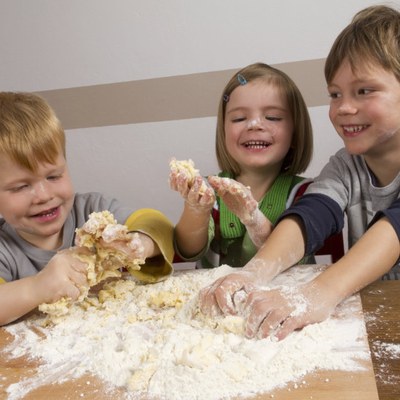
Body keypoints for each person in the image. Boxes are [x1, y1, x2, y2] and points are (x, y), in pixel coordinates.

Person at [199, 5, 400, 340]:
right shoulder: (345, 166)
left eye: (364, 91)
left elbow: (395, 228)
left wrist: (316, 294)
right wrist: (254, 272)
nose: (344, 108)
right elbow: (313, 214)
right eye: (335, 94)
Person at [0, 91, 174, 326]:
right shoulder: (4, 250)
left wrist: (139, 243)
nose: (44, 195)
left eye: (53, 176)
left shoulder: (92, 211)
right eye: (21, 187)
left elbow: (159, 227)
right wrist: (37, 287)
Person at [169, 62, 313, 268]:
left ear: (296, 133)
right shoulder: (210, 191)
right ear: (224, 133)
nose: (254, 125)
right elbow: (188, 251)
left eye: (272, 117)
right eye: (239, 118)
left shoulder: (308, 194)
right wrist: (196, 209)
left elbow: (290, 255)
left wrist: (254, 220)